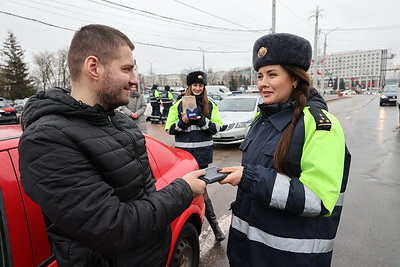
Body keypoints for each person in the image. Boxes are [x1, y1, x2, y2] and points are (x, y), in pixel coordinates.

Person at [18, 24, 207, 267]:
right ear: (93, 67)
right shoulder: (46, 140)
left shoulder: (119, 122)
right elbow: (115, 229)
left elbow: (143, 198)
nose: (134, 80)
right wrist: (183, 190)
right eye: (126, 69)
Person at [219, 33, 351, 266]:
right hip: (247, 253)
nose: (262, 83)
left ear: (294, 79)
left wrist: (249, 177)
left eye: (272, 74)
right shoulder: (262, 119)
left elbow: (318, 199)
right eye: (260, 75)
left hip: (289, 257)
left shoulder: (320, 125)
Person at [165, 71, 226, 242]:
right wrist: (182, 122)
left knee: (202, 191)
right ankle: (180, 230)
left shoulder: (211, 105)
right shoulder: (177, 105)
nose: (197, 88)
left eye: (200, 85)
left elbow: (217, 128)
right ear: (189, 87)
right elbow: (169, 129)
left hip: (202, 158)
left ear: (204, 87)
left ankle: (214, 227)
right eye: (195, 85)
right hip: (183, 159)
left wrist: (201, 121)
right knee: (183, 192)